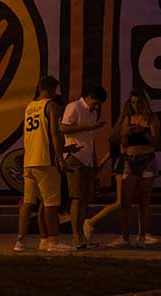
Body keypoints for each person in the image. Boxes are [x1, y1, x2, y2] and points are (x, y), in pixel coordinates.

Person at [14, 76, 71, 252]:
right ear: (51, 89)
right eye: (55, 90)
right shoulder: (51, 105)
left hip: (29, 161)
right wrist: (61, 158)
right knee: (51, 203)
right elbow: (54, 133)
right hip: (45, 160)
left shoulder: (29, 107)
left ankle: (21, 241)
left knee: (28, 203)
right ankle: (53, 241)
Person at [111, 88, 161, 247]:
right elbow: (123, 143)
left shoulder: (152, 118)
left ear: (144, 102)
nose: (135, 105)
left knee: (144, 200)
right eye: (132, 102)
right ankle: (124, 237)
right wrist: (127, 133)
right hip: (130, 159)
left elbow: (155, 141)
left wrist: (143, 132)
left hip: (147, 159)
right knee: (125, 201)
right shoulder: (128, 117)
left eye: (138, 102)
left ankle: (142, 237)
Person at [61, 84, 107, 249]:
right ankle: (75, 236)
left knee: (86, 199)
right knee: (77, 197)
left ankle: (81, 235)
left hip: (87, 159)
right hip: (74, 157)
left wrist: (95, 162)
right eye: (96, 102)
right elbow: (64, 128)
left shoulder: (93, 113)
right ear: (90, 96)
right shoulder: (74, 107)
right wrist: (87, 127)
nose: (97, 106)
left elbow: (90, 139)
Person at [83, 114, 127, 241]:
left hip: (122, 165)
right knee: (121, 202)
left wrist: (102, 162)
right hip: (123, 165)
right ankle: (90, 222)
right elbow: (121, 151)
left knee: (129, 202)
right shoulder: (124, 130)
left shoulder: (117, 130)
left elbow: (113, 152)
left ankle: (139, 234)